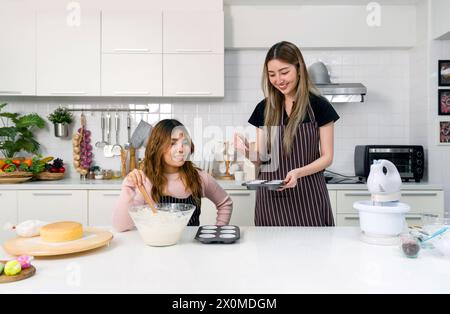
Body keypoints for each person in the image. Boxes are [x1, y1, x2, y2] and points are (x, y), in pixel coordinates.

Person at [235, 41, 339, 226]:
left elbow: (327, 157)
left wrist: (299, 172)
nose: (278, 80)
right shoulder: (264, 108)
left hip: (308, 196)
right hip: (271, 199)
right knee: (270, 252)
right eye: (272, 75)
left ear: (299, 69)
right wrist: (246, 151)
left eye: (284, 72)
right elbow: (261, 159)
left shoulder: (319, 106)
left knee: (314, 252)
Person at [113, 119, 232, 231]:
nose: (181, 149)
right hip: (158, 248)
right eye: (173, 143)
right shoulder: (146, 181)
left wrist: (218, 231)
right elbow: (121, 226)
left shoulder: (200, 178)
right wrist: (127, 187)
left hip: (193, 250)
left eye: (185, 142)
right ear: (157, 147)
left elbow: (225, 203)